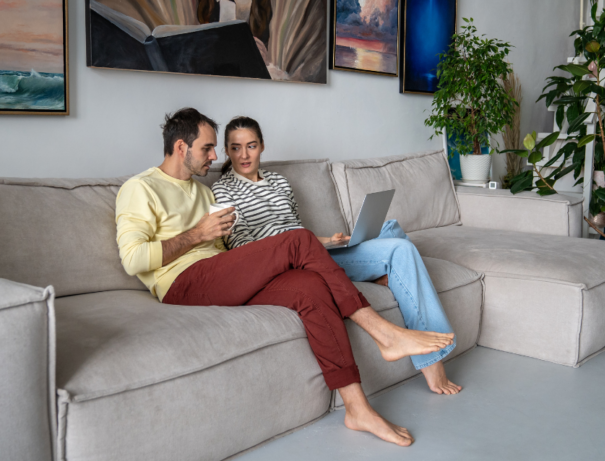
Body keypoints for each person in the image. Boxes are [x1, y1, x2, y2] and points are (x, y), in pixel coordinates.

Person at [115, 107, 456, 447]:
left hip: (221, 274)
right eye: (207, 148)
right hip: (182, 284)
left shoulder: (203, 193)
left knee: (310, 287)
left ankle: (357, 409)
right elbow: (133, 260)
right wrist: (195, 234)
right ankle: (384, 333)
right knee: (299, 240)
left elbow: (229, 253)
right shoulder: (140, 188)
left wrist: (262, 262)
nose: (215, 155)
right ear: (180, 147)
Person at [211, 116, 462, 396]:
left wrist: (329, 240)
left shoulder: (280, 182)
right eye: (235, 148)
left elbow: (297, 230)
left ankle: (382, 278)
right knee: (400, 249)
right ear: (226, 151)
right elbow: (242, 248)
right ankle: (432, 361)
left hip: (313, 251)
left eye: (251, 146)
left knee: (391, 228)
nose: (244, 155)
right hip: (284, 263)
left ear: (262, 146)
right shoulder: (223, 190)